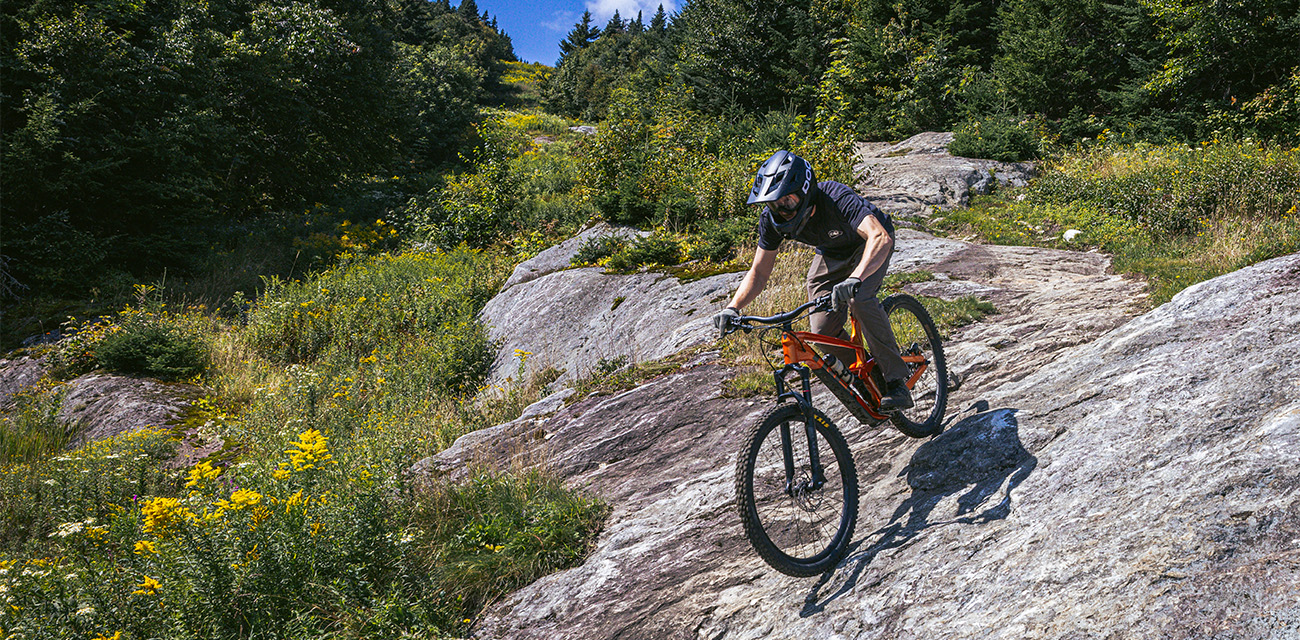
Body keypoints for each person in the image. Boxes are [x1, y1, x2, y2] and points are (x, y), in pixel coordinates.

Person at [713, 150, 913, 411]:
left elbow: (879, 238)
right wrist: (733, 307)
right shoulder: (771, 221)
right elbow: (759, 272)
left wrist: (855, 278)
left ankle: (896, 379)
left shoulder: (836, 197)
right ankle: (872, 377)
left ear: (804, 189)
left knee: (859, 298)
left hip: (867, 246)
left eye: (787, 199)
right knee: (820, 334)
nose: (781, 208)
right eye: (774, 203)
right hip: (830, 253)